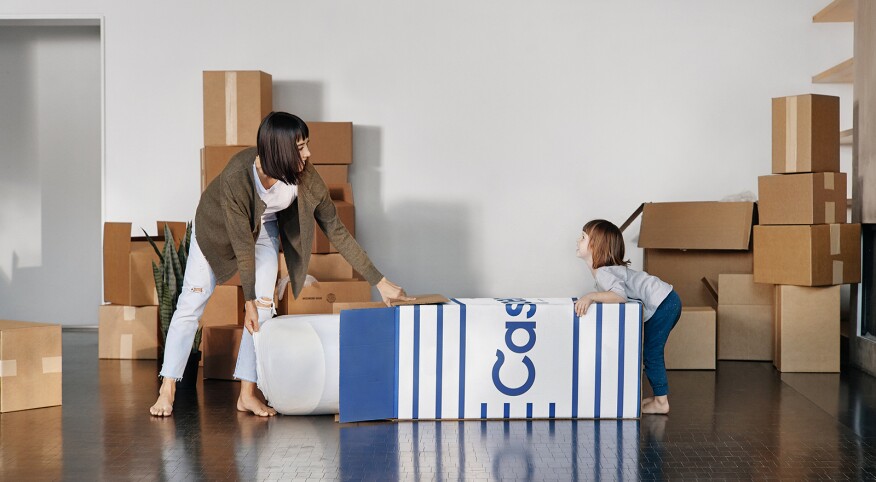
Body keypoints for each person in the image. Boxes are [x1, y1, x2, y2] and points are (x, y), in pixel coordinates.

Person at [150, 112, 410, 417]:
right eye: (300, 147)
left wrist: (379, 281)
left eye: (306, 145)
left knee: (262, 310)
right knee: (190, 306)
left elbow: (336, 230)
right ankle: (166, 390)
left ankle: (247, 393)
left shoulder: (306, 175)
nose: (309, 153)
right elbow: (241, 245)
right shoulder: (238, 177)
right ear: (279, 151)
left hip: (262, 231)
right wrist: (245, 299)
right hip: (215, 233)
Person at [574, 219, 681, 414]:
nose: (577, 240)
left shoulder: (604, 273)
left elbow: (620, 297)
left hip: (664, 303)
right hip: (666, 300)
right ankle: (658, 398)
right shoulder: (604, 272)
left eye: (582, 237)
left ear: (595, 246)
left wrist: (590, 297)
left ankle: (661, 403)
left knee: (651, 352)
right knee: (648, 350)